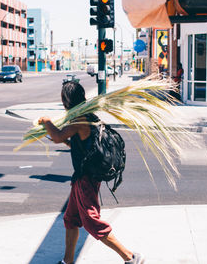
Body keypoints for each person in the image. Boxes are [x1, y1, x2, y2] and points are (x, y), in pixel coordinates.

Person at [37, 81, 145, 264]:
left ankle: (131, 257)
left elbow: (56, 136)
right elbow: (79, 145)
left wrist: (46, 121)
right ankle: (67, 261)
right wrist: (66, 141)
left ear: (66, 100)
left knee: (92, 222)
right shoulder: (88, 116)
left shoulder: (79, 119)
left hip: (86, 180)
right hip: (81, 177)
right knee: (71, 219)